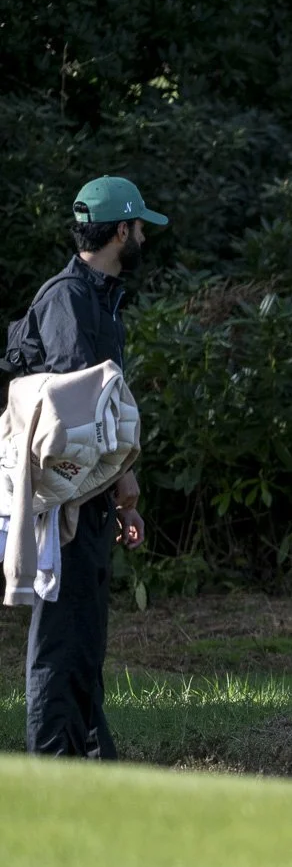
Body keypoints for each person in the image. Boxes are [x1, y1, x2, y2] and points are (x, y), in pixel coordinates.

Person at [3, 176, 161, 758]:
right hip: (62, 504)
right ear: (121, 232)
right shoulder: (67, 300)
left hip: (90, 500)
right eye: (139, 226)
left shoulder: (99, 300)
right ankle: (51, 772)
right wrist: (122, 481)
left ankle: (94, 770)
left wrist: (121, 498)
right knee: (60, 643)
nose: (143, 236)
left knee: (85, 643)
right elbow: (80, 417)